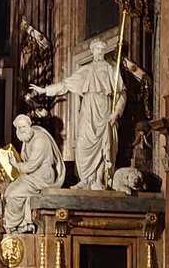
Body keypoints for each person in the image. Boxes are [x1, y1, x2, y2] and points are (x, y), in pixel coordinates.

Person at [32, 38, 126, 188]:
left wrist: (116, 113)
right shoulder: (86, 70)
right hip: (88, 111)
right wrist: (44, 90)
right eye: (97, 49)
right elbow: (65, 86)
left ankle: (98, 180)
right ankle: (86, 179)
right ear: (92, 51)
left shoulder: (111, 70)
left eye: (103, 50)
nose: (100, 52)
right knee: (83, 144)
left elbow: (121, 95)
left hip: (104, 110)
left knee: (103, 145)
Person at [1, 114, 65, 232]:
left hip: (42, 176)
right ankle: (21, 225)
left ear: (29, 125)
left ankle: (13, 226)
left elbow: (32, 165)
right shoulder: (27, 138)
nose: (21, 130)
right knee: (8, 191)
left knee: (14, 194)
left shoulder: (39, 140)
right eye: (18, 128)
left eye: (23, 127)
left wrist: (16, 164)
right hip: (31, 175)